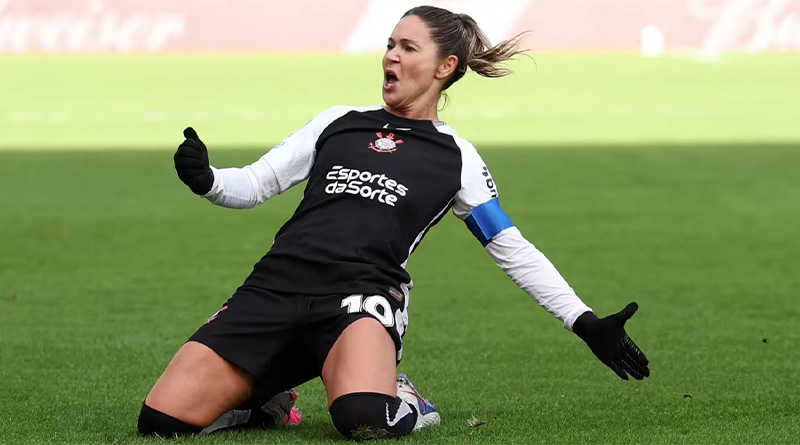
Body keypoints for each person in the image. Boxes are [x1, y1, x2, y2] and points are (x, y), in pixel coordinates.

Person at [137, 5, 650, 440]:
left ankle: (404, 396)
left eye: (408, 48)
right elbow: (253, 185)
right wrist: (207, 179)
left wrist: (583, 322)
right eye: (389, 45)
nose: (391, 56)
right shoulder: (338, 121)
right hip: (274, 288)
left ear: (445, 66)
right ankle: (265, 400)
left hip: (359, 299)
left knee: (363, 421)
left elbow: (509, 245)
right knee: (161, 422)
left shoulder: (457, 158)